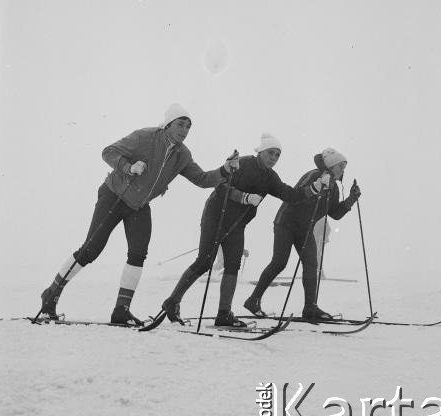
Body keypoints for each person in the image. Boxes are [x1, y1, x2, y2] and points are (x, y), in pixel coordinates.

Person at [40, 103, 238, 325]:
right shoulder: (145, 137)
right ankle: (51, 295)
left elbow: (201, 179)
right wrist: (129, 167)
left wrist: (224, 170)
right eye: (180, 124)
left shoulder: (183, 155)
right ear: (168, 124)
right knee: (90, 250)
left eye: (188, 127)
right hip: (114, 195)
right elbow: (108, 152)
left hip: (139, 206)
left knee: (138, 253)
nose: (184, 130)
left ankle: (121, 310)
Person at [161, 133, 328, 328]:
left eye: (277, 155)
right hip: (216, 217)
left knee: (233, 265)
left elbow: (290, 195)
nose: (273, 158)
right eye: (270, 153)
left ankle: (224, 313)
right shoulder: (244, 163)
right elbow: (221, 185)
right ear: (260, 152)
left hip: (238, 224)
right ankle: (172, 301)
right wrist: (244, 197)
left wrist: (315, 188)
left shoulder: (270, 177)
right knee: (204, 261)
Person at [243, 148, 361, 321]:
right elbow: (297, 195)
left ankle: (310, 307)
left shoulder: (334, 187)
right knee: (279, 262)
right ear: (331, 165)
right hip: (286, 223)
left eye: (345, 166)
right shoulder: (314, 175)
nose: (343, 169)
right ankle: (253, 300)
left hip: (305, 227)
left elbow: (335, 213)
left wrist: (351, 198)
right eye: (340, 165)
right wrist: (318, 189)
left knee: (311, 264)